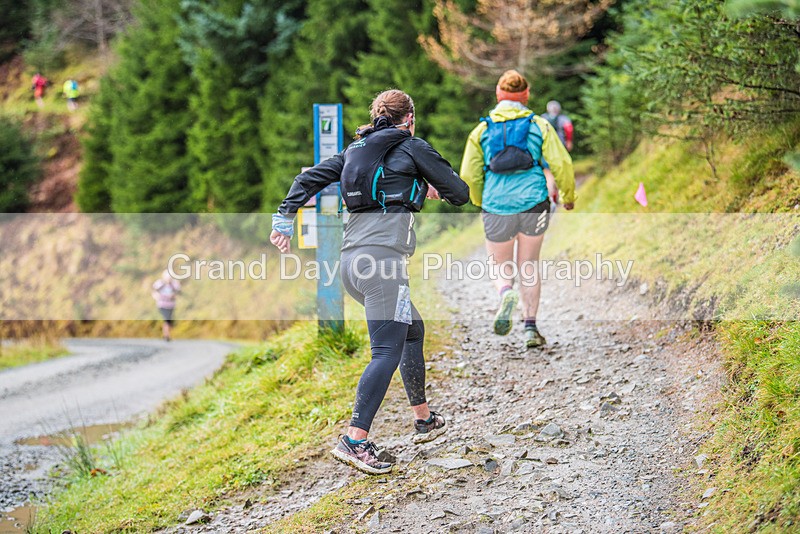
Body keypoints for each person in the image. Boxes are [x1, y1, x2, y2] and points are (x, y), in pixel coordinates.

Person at [270, 89, 470, 475]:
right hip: (383, 267)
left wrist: (283, 218)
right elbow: (460, 193)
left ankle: (424, 419)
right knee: (385, 351)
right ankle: (355, 439)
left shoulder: (354, 151)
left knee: (412, 328)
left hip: (352, 266)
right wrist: (430, 186)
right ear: (409, 118)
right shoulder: (413, 147)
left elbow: (307, 178)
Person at [460, 70, 576, 349]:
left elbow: (469, 173)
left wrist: (481, 200)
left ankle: (505, 292)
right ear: (526, 96)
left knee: (500, 264)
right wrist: (568, 197)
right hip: (534, 202)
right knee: (529, 265)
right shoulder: (539, 124)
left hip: (496, 205)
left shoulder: (482, 129)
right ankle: (530, 328)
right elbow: (562, 164)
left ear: (499, 95)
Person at [152, 270, 181, 341]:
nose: (168, 279)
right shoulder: (160, 283)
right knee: (167, 319)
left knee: (169, 321)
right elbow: (154, 291)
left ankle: (167, 334)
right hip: (162, 305)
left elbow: (177, 293)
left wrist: (173, 296)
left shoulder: (174, 284)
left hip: (171, 305)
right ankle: (166, 335)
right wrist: (157, 297)